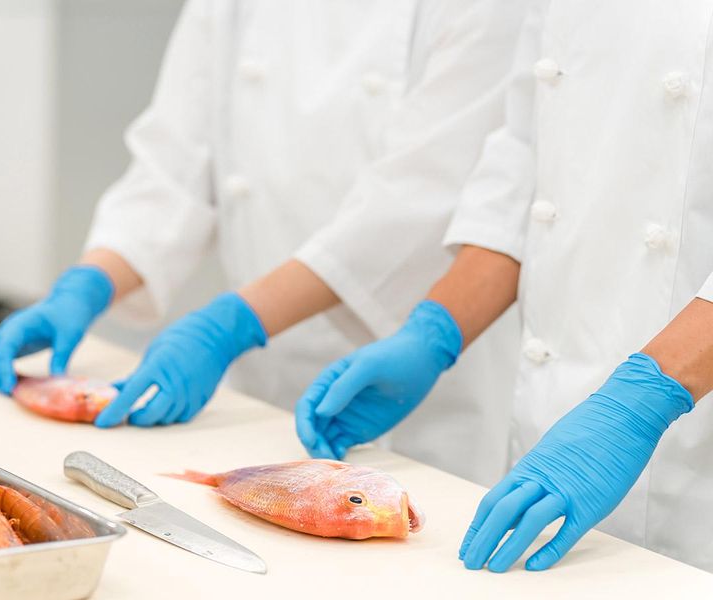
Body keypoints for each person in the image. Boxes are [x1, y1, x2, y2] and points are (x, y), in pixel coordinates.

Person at [0, 1, 529, 484]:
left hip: (408, 394)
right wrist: (90, 282)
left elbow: (415, 199)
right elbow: (173, 162)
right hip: (256, 391)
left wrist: (232, 324)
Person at [296, 0, 713, 573]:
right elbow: (525, 165)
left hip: (693, 455)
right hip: (556, 420)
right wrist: (434, 331)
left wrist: (641, 402)